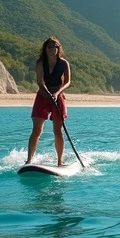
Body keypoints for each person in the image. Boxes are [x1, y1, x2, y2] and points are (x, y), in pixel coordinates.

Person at [26, 37, 72, 165]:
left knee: (58, 131)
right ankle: (29, 160)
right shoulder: (40, 63)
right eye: (50, 47)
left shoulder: (64, 63)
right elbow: (40, 82)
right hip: (42, 96)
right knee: (36, 130)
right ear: (45, 49)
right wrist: (49, 94)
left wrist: (57, 94)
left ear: (59, 48)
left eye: (55, 47)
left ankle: (60, 161)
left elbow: (68, 82)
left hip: (58, 96)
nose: (53, 49)